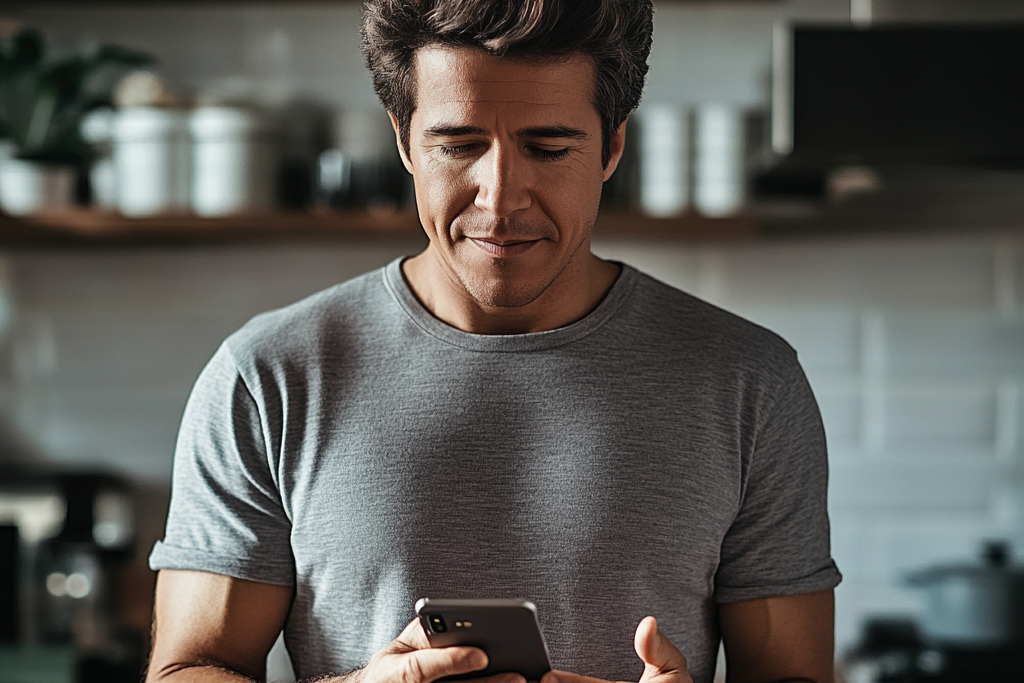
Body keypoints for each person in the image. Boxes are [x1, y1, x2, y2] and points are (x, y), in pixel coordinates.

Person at [146, 2, 841, 683]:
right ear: (402, 140)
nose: (501, 196)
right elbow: (189, 668)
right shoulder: (268, 377)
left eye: (548, 147)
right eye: (458, 145)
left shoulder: (750, 383)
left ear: (614, 145)